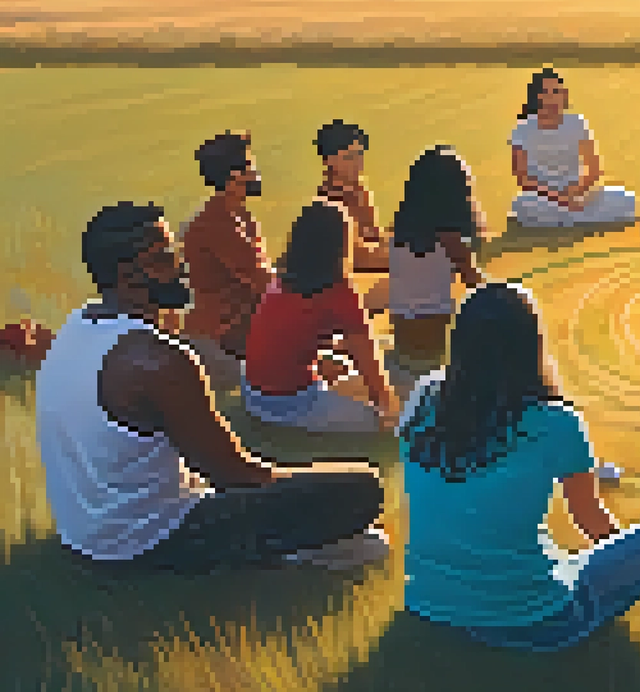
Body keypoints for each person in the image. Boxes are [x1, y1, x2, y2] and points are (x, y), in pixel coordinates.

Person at [34, 202, 388, 574]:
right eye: (164, 258)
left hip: (83, 535)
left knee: (345, 511)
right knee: (362, 490)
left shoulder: (75, 328)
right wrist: (320, 481)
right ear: (128, 274)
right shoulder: (159, 361)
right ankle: (281, 557)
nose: (181, 266)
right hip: (145, 543)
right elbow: (237, 475)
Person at [399, 283, 640, 650]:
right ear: (530, 346)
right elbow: (590, 520)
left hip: (428, 604)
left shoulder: (424, 396)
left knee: (552, 558)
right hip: (536, 621)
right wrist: (617, 559)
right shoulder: (557, 423)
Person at [242, 201, 400, 433]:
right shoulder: (338, 292)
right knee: (391, 421)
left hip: (252, 396)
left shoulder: (281, 280)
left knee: (343, 370)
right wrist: (391, 410)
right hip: (293, 405)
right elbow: (372, 371)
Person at [388, 146, 487, 391]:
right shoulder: (450, 239)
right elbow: (478, 286)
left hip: (403, 342)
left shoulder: (402, 230)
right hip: (432, 348)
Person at [180, 131, 272, 393]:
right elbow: (266, 284)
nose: (256, 172)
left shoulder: (237, 215)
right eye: (250, 165)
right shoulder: (219, 225)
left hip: (239, 332)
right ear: (234, 177)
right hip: (218, 343)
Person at [509, 68, 638, 228]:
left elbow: (594, 169)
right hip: (543, 197)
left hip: (577, 194)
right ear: (537, 97)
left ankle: (566, 219)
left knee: (626, 198)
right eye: (546, 93)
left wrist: (575, 193)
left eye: (556, 92)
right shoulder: (523, 129)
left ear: (563, 95)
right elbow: (523, 179)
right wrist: (558, 198)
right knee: (524, 204)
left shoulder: (577, 122)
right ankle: (577, 218)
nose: (552, 98)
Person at [315, 119, 391, 273]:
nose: (358, 164)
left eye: (359, 155)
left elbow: (374, 237)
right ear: (329, 161)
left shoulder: (359, 192)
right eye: (349, 157)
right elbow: (360, 259)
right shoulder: (330, 206)